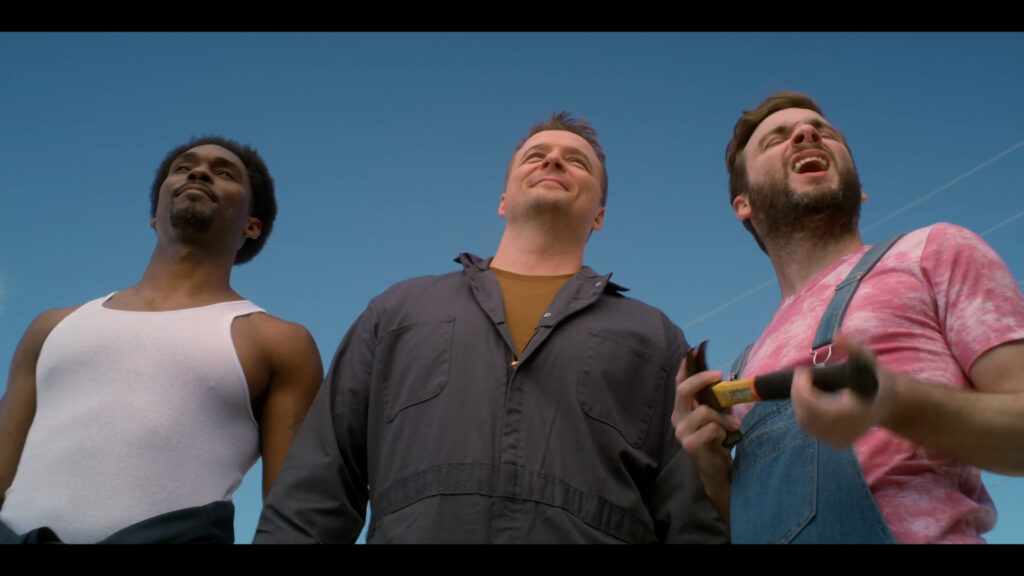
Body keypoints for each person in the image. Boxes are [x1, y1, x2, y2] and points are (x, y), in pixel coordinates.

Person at [255, 111, 728, 544]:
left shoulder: (654, 338)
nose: (554, 162)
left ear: (600, 216)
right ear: (503, 201)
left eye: (576, 161)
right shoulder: (397, 312)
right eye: (537, 156)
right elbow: (314, 490)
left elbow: (692, 516)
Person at [672, 90, 1024, 544]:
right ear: (744, 204)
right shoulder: (743, 369)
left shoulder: (933, 252)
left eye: (825, 133)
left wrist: (899, 404)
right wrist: (715, 475)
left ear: (859, 188)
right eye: (776, 139)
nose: (805, 133)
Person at [0, 136, 324, 544]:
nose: (199, 172)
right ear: (155, 214)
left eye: (224, 173)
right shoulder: (50, 328)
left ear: (251, 225)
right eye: (183, 168)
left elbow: (295, 520)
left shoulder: (280, 343)